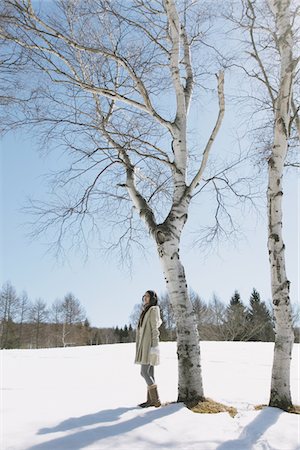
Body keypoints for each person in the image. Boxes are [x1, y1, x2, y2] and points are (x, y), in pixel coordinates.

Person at [135, 290, 162, 408]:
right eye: (144, 296)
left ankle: (156, 400)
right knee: (150, 372)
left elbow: (154, 329)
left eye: (147, 296)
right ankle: (150, 400)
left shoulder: (153, 310)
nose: (145, 298)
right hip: (145, 344)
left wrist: (155, 347)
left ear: (152, 298)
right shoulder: (145, 311)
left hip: (150, 345)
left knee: (144, 372)